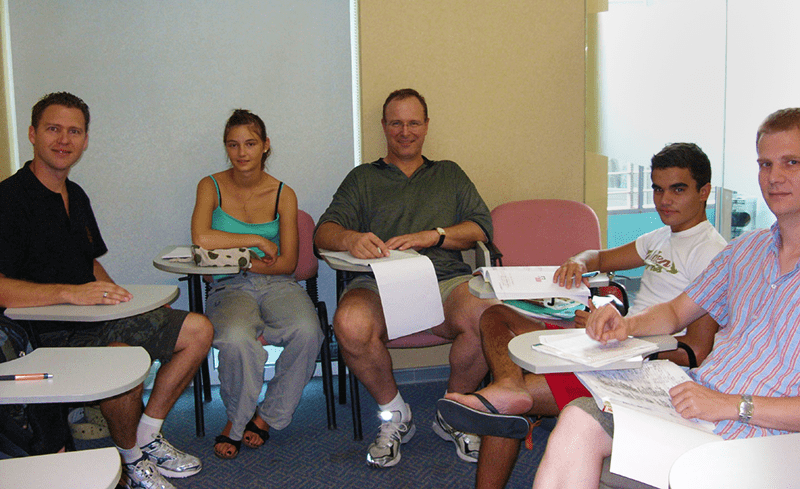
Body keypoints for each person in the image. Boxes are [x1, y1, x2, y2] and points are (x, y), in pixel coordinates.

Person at [533, 108, 800, 489]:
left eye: (792, 162)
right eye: (765, 164)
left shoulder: (715, 246)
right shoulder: (747, 251)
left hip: (761, 440)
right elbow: (676, 311)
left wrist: (733, 405)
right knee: (579, 419)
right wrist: (626, 325)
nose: (774, 177)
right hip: (696, 404)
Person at [439, 142, 726, 489]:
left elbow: (696, 349)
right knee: (496, 316)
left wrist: (624, 336)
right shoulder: (661, 238)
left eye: (677, 189)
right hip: (615, 343)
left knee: (505, 410)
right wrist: (579, 262)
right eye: (658, 189)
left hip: (640, 364)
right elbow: (599, 258)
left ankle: (510, 395)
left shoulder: (713, 254)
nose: (664, 200)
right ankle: (510, 386)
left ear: (704, 192)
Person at [0, 92, 213, 489]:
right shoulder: (9, 200)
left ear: (85, 140)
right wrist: (70, 293)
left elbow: (89, 262)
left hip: (89, 320)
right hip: (41, 335)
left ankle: (147, 436)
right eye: (53, 129)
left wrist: (115, 295)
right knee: (121, 360)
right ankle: (130, 459)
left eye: (74, 131)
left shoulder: (75, 195)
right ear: (31, 133)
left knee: (198, 329)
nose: (64, 140)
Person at [314, 88, 495, 468]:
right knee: (349, 322)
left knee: (488, 314)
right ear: (383, 127)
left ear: (426, 126)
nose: (405, 131)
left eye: (414, 122)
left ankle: (454, 413)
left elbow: (480, 227)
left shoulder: (448, 173)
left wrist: (436, 235)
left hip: (444, 280)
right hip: (377, 284)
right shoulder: (363, 178)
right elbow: (323, 233)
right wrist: (350, 238)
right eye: (396, 123)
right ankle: (396, 415)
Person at [191, 109, 323, 460]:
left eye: (250, 143)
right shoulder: (211, 185)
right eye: (233, 145)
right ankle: (237, 420)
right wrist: (257, 242)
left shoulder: (284, 193)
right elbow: (201, 238)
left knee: (309, 332)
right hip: (229, 286)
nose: (242, 152)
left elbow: (288, 263)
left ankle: (267, 415)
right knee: (235, 340)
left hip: (277, 283)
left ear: (265, 145)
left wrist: (240, 255)